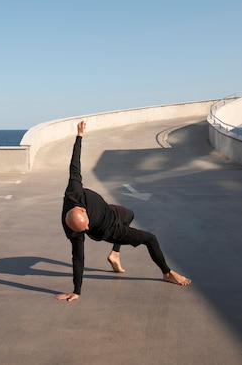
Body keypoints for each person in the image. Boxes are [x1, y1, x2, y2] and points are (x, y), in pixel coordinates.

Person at [56, 120, 191, 302]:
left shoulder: (73, 190)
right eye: (85, 229)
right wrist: (76, 290)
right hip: (111, 230)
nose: (86, 228)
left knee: (130, 213)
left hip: (111, 211)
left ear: (81, 209)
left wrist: (79, 136)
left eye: (87, 224)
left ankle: (115, 254)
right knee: (150, 239)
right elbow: (78, 257)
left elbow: (74, 164)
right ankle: (167, 273)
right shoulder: (73, 230)